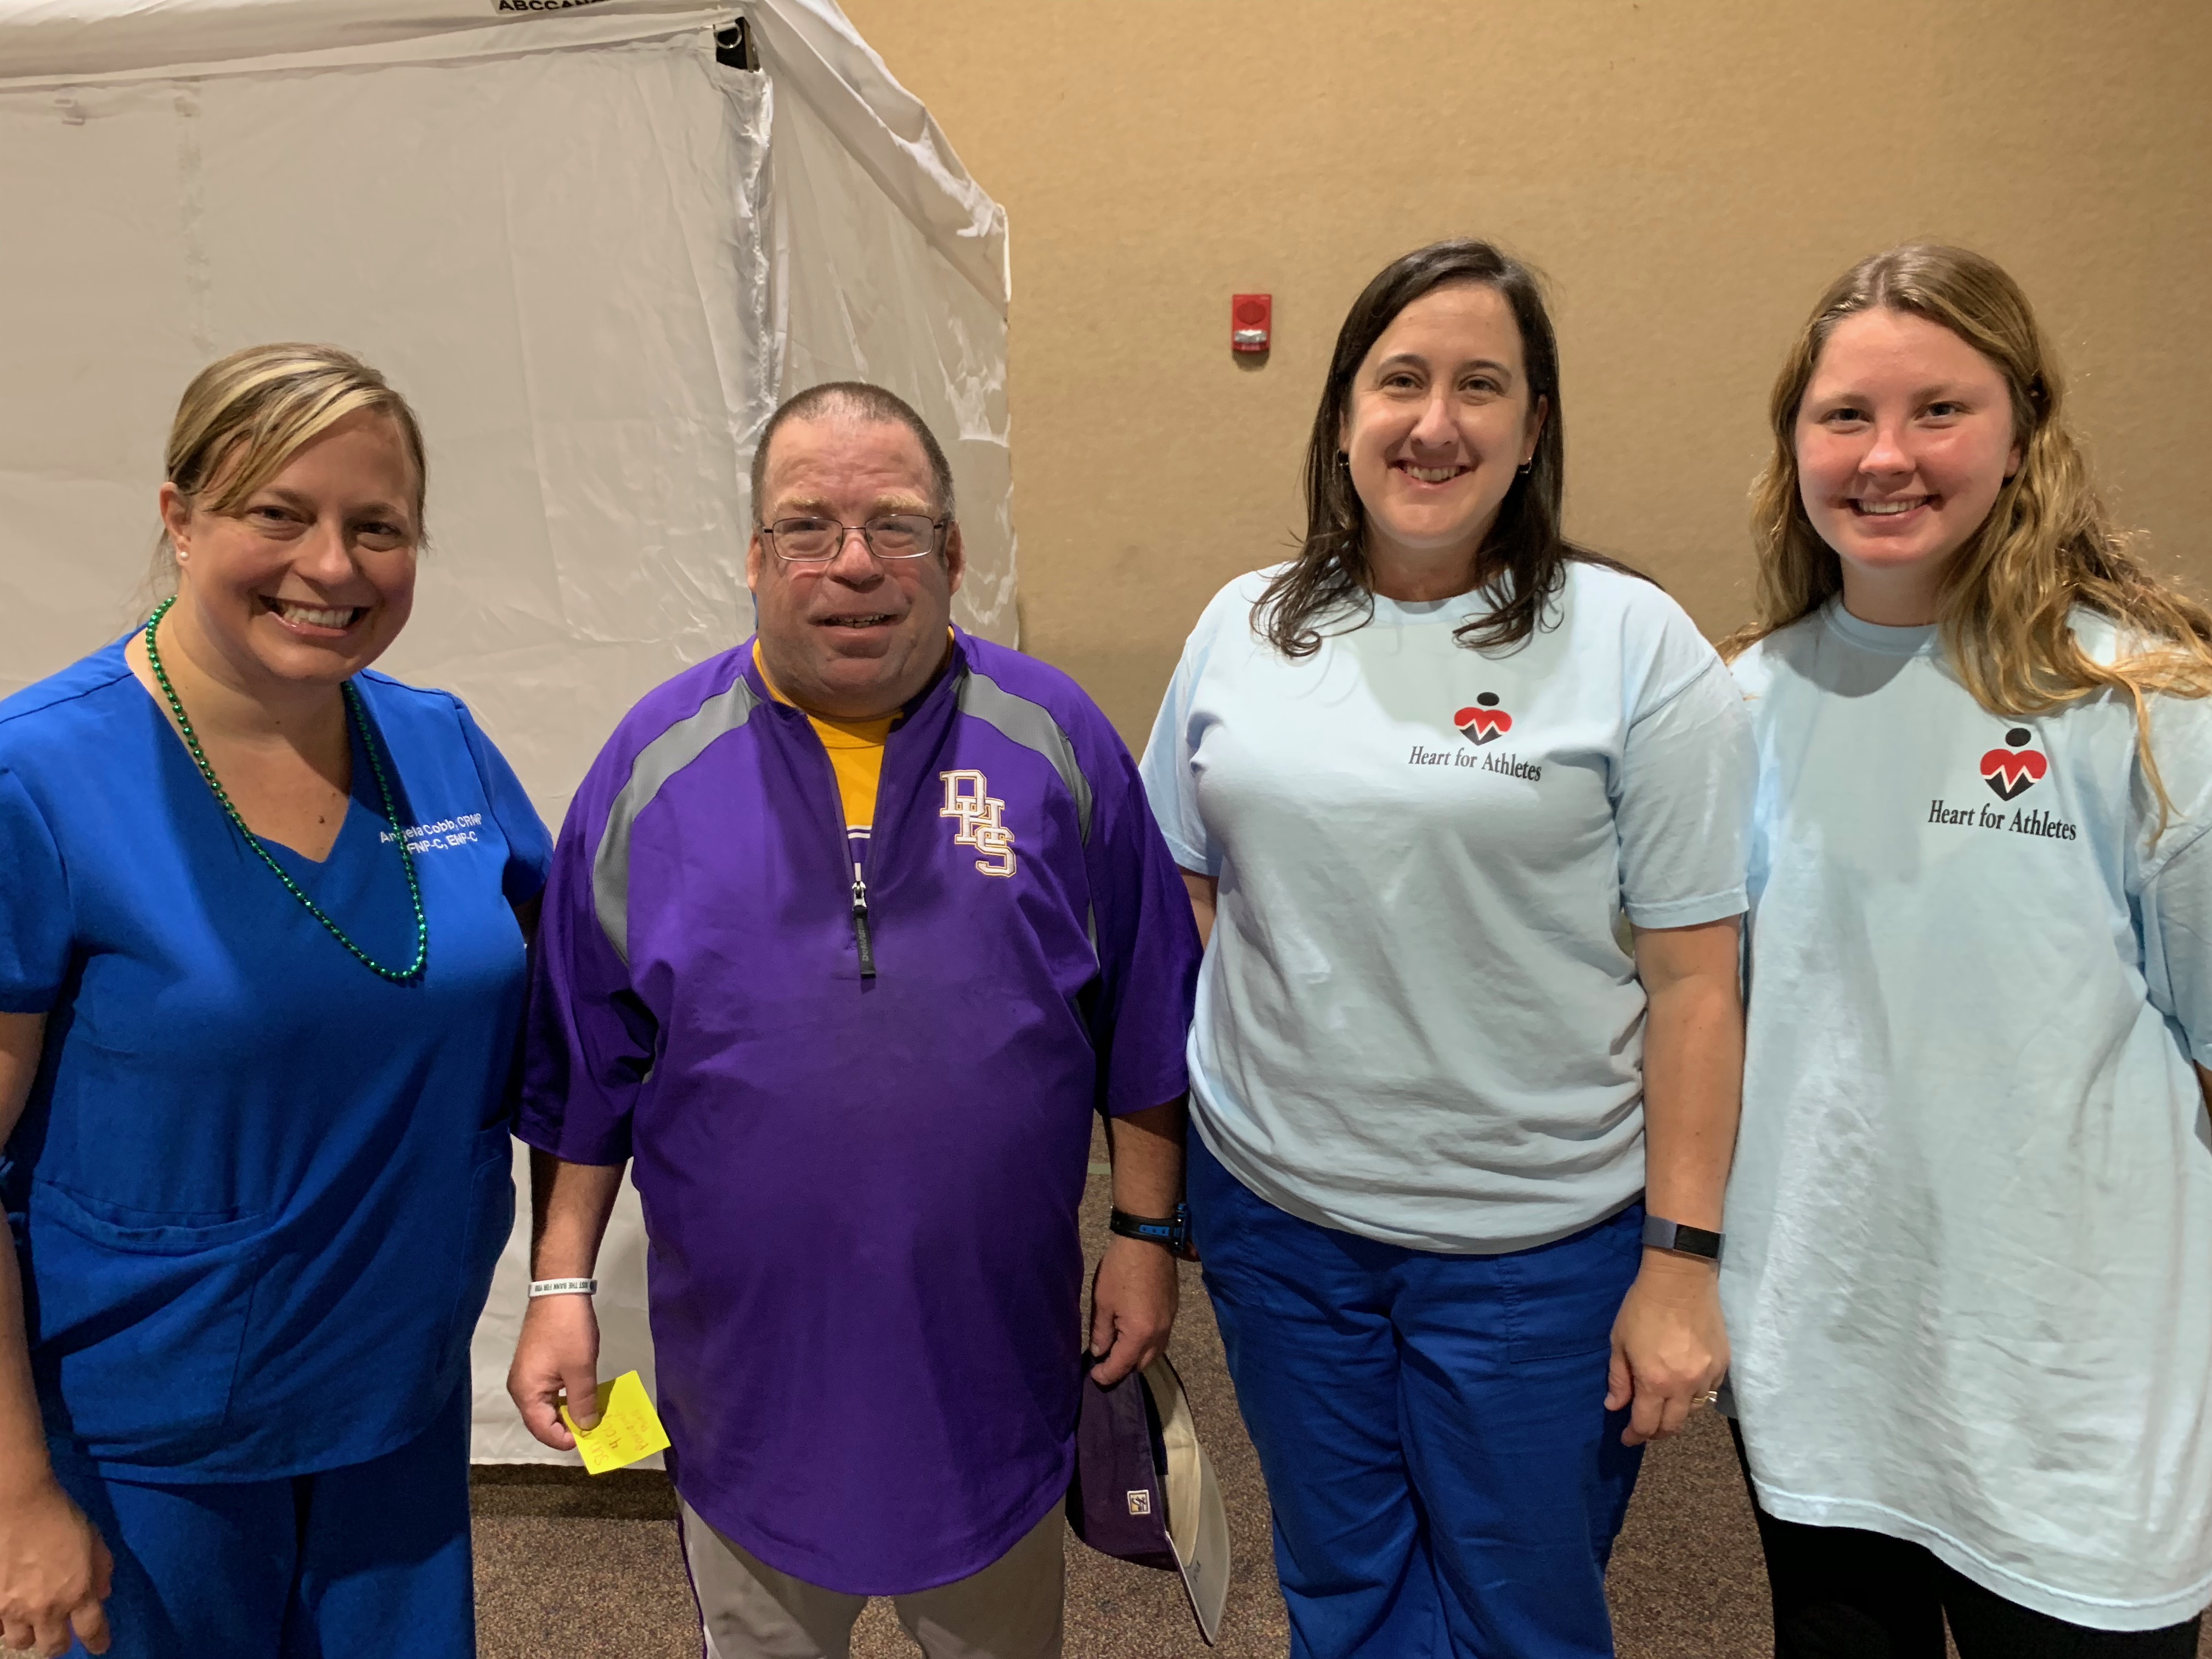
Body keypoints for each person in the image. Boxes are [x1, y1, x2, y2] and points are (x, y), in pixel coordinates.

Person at [510, 381, 1200, 1659]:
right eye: (808, 528)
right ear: (754, 558)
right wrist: (560, 1283)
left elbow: (1149, 1016)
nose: (855, 564)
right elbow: (585, 1072)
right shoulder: (649, 768)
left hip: (990, 1367)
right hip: (749, 1382)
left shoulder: (1058, 742)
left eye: (895, 525)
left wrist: (1145, 1233)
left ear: (953, 552)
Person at [1139, 238, 1755, 1658]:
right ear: (1342, 417)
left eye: (1482, 385)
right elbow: (1187, 897)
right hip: (1281, 1223)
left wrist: (1681, 1262)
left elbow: (1695, 983)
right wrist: (1167, 1200)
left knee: (1520, 1613)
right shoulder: (1245, 625)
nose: (1435, 422)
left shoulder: (1634, 643)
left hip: (1533, 1244)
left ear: (1535, 429)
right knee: (1342, 1591)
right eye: (1401, 380)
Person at [0, 344, 549, 1658]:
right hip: (145, 1447)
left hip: (396, 1407)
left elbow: (583, 1029)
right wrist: (16, 1493)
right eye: (278, 513)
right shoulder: (39, 781)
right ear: (180, 516)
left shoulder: (441, 746)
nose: (332, 566)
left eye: (380, 528)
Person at [1720, 244, 2212, 1656]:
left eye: (1939, 409)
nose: (1887, 457)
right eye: (1845, 416)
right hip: (1824, 1366)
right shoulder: (1741, 703)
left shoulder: (2144, 708)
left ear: (2022, 430)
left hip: (2075, 1398)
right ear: (1794, 444)